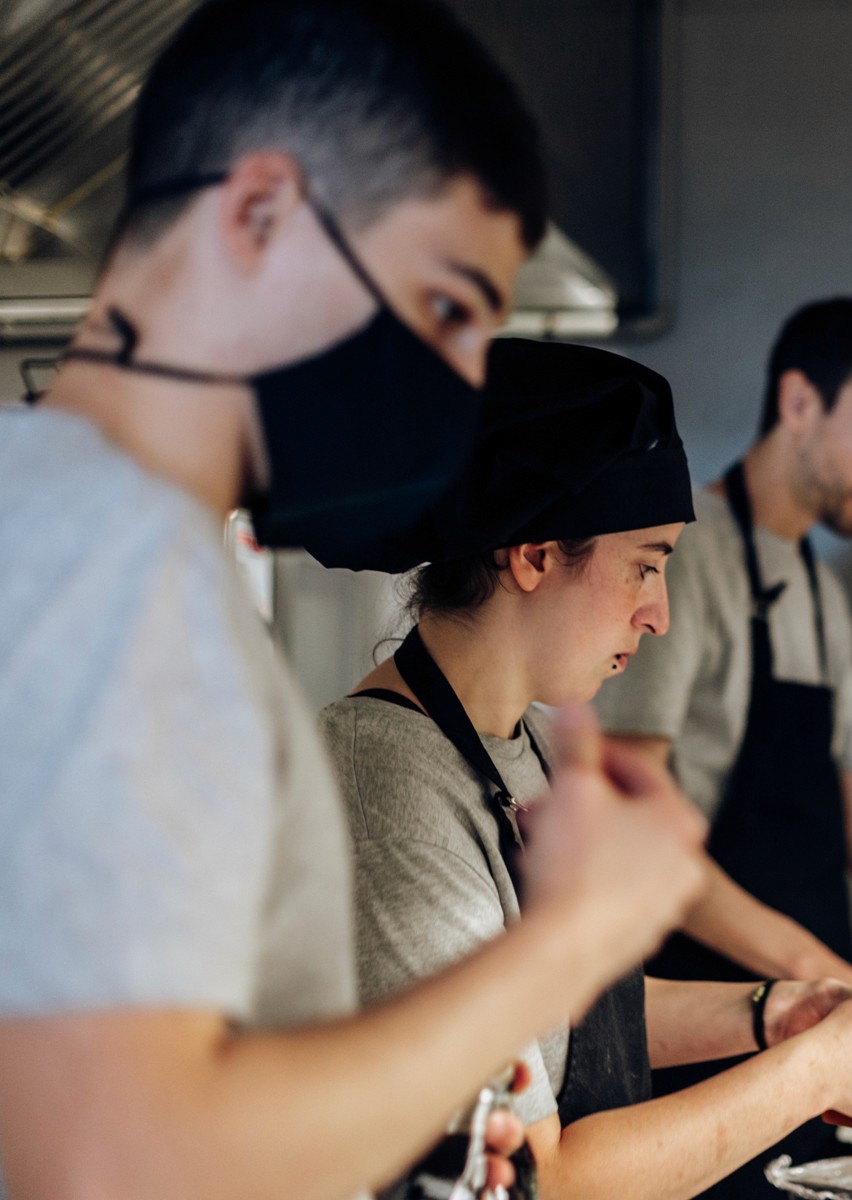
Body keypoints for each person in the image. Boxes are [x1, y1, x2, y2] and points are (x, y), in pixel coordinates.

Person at [0, 5, 704, 1200]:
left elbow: (187, 1078)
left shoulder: (99, 542)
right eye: (439, 310)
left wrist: (416, 1130)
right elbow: (112, 1156)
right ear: (262, 215)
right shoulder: (109, 570)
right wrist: (572, 940)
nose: (448, 402)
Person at [323, 337, 852, 1200]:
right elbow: (545, 1179)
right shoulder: (388, 783)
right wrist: (822, 1071)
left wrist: (772, 1013)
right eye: (643, 567)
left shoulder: (527, 743)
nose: (659, 615)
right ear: (534, 554)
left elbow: (570, 1031)